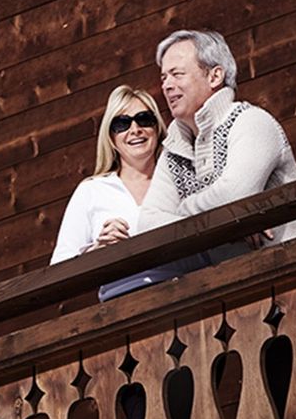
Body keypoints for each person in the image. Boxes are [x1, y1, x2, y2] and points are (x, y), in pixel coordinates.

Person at [138, 28, 296, 244]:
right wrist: (226, 224)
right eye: (164, 78)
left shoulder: (251, 121)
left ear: (215, 76)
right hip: (240, 273)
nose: (167, 86)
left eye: (177, 74)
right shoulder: (174, 152)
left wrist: (181, 210)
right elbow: (146, 225)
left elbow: (234, 196)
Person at [50, 84, 206, 298]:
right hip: (121, 303)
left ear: (157, 129)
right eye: (122, 124)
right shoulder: (92, 191)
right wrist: (98, 250)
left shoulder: (183, 175)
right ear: (111, 138)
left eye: (144, 119)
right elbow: (59, 269)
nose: (135, 129)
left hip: (187, 291)